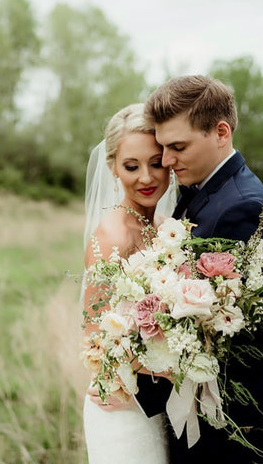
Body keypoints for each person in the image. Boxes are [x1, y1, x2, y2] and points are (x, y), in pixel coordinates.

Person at [134, 75, 263, 463]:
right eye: (163, 147)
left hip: (229, 428)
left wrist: (133, 376)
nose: (167, 161)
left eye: (178, 147)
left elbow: (224, 339)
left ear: (221, 132)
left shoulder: (242, 208)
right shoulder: (203, 191)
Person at [82, 103, 176, 463]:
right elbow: (94, 334)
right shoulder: (112, 235)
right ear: (112, 168)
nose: (147, 178)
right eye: (131, 166)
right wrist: (162, 368)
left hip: (159, 399)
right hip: (120, 404)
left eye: (156, 163)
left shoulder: (169, 228)